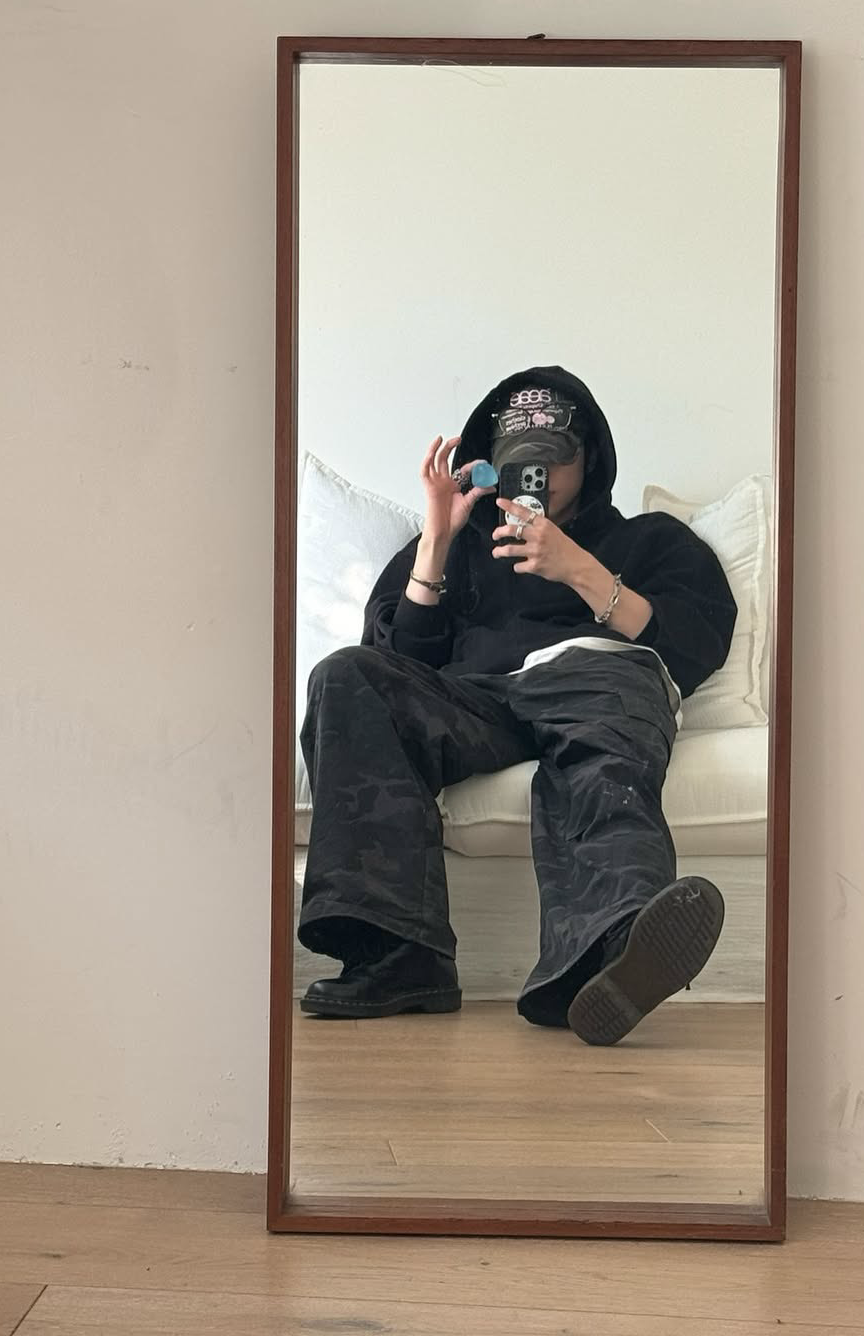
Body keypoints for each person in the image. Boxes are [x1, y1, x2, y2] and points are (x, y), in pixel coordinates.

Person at [297, 366, 738, 1045]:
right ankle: (397, 955)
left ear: (588, 459)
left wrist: (580, 570)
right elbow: (395, 661)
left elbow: (691, 644)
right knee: (345, 676)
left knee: (608, 724)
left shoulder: (649, 539)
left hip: (593, 679)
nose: (538, 478)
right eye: (520, 463)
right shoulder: (459, 546)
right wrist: (437, 542)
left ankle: (609, 953)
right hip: (478, 698)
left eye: (553, 461)